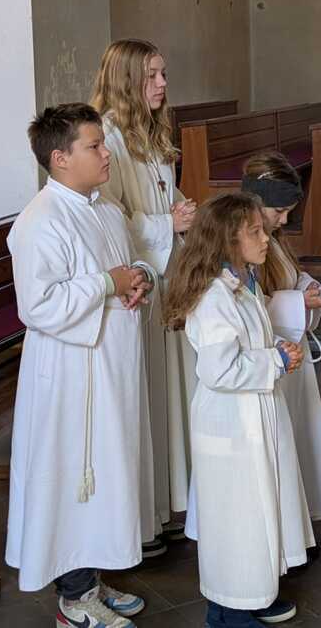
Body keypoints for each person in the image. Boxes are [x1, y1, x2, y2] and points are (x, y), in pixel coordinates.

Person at [6, 103, 154, 628]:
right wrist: (109, 283)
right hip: (71, 374)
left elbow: (128, 264)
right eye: (94, 145)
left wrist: (139, 279)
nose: (106, 153)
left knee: (107, 473)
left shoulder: (105, 208)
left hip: (110, 365)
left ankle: (90, 578)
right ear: (60, 158)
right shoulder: (40, 220)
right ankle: (73, 600)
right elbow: (38, 307)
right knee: (74, 478)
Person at [164, 192, 314, 628]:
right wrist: (276, 360)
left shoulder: (241, 285)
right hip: (230, 424)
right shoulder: (214, 297)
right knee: (236, 518)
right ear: (228, 240)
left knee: (257, 512)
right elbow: (220, 370)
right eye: (255, 232)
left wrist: (277, 349)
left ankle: (252, 593)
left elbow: (247, 344)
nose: (266, 238)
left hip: (252, 415)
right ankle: (227, 610)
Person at [92, 38, 198, 556]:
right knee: (149, 397)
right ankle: (146, 516)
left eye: (163, 74)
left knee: (169, 394)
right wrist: (165, 223)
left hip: (166, 277)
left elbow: (163, 195)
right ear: (127, 79)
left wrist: (182, 212)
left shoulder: (150, 132)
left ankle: (169, 504)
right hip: (139, 283)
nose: (162, 84)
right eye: (152, 75)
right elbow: (107, 217)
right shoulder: (107, 137)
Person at [241, 151, 321, 527]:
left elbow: (289, 276)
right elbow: (248, 307)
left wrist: (308, 287)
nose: (284, 220)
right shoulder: (241, 245)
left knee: (298, 437)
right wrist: (299, 302)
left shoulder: (273, 239)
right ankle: (282, 525)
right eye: (279, 211)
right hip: (267, 358)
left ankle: (298, 521)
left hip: (291, 353)